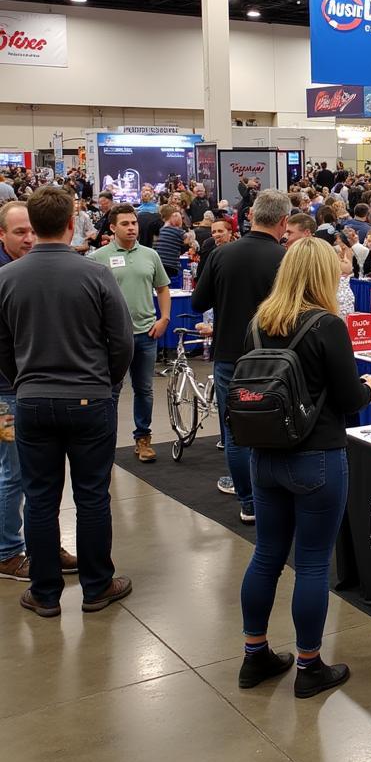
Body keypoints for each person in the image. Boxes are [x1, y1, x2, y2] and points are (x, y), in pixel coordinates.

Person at [235, 238, 371, 698]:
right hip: (316, 456)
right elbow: (349, 399)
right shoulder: (327, 325)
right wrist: (370, 387)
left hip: (264, 455)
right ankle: (309, 665)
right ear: (323, 275)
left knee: (267, 555)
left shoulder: (259, 322)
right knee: (313, 563)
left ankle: (254, 654)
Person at [0, 187, 134, 616]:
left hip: (33, 401)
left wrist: (22, 380)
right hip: (89, 399)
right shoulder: (95, 273)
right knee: (92, 496)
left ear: (32, 227)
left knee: (40, 498)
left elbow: (2, 346)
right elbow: (122, 340)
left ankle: (44, 592)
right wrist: (106, 383)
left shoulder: (7, 278)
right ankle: (97, 587)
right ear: (73, 223)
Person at [191, 189, 290, 523]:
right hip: (276, 358)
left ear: (251, 216)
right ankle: (272, 500)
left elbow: (197, 303)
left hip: (230, 354)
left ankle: (248, 502)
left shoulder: (222, 254)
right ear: (284, 221)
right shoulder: (286, 259)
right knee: (278, 423)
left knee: (235, 430)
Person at [87, 204, 171, 464]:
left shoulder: (149, 255)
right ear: (112, 227)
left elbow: (163, 288)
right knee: (110, 391)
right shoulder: (97, 258)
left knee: (144, 390)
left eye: (134, 223)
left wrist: (164, 318)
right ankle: (105, 442)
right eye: (125, 223)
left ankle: (143, 439)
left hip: (146, 334)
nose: (132, 227)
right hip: (112, 339)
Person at [0, 201, 49, 582]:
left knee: (38, 474)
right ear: (2, 235)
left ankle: (41, 544)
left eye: (32, 230)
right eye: (19, 232)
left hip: (31, 388)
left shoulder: (32, 269)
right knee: (15, 474)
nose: (29, 238)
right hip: (9, 391)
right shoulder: (4, 276)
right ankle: (7, 552)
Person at [196, 215, 233, 279]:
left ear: (229, 232)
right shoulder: (208, 246)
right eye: (213, 232)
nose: (216, 235)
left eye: (220, 231)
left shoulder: (238, 247)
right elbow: (201, 272)